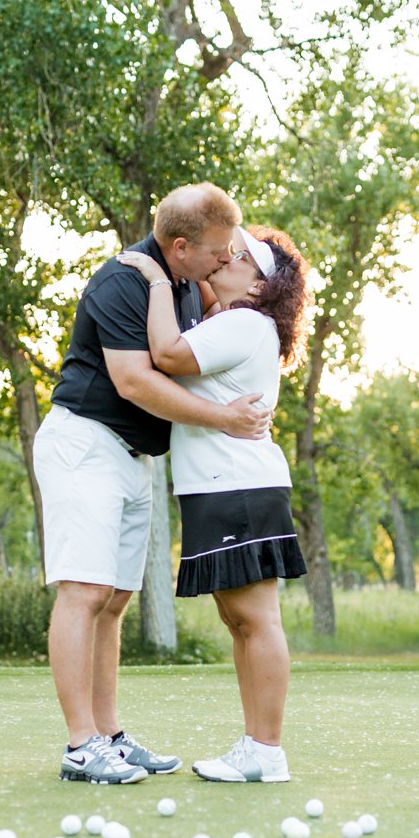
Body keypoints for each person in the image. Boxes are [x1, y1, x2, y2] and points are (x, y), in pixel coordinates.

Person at [34, 183, 272, 785]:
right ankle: (80, 744)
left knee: (114, 601)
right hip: (84, 444)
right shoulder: (121, 281)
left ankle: (109, 734)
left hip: (135, 457)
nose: (226, 259)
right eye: (219, 250)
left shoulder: (189, 286)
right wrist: (226, 419)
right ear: (182, 245)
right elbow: (136, 382)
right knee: (83, 593)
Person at [119, 224, 309, 783]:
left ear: (260, 285)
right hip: (221, 487)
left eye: (242, 256)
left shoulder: (246, 323)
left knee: (255, 618)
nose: (227, 256)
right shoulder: (229, 321)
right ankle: (255, 745)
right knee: (238, 619)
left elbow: (167, 354)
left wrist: (155, 278)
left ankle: (267, 750)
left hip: (239, 487)